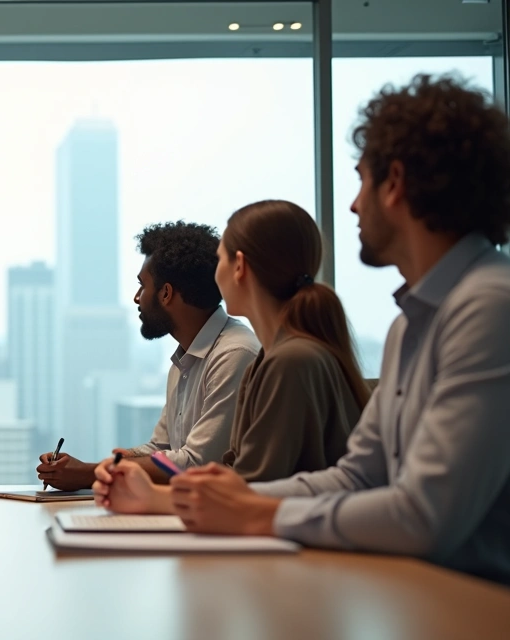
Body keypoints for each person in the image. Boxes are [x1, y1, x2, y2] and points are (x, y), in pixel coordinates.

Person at [100, 74, 510, 585]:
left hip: (475, 605)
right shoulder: (412, 325)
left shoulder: (490, 309)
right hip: (414, 591)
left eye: (362, 180)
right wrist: (182, 498)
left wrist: (251, 511)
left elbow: (423, 516)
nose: (355, 204)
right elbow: (356, 478)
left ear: (396, 183)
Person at [92, 200, 367, 508]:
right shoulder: (271, 360)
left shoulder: (285, 361)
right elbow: (234, 475)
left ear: (239, 266)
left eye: (220, 257)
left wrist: (153, 495)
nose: (213, 272)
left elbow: (245, 492)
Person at [35, 222, 259, 490]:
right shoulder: (186, 357)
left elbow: (196, 463)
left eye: (143, 286)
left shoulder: (234, 354)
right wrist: (105, 464)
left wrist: (91, 472)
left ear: (166, 293)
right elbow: (160, 448)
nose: (136, 297)